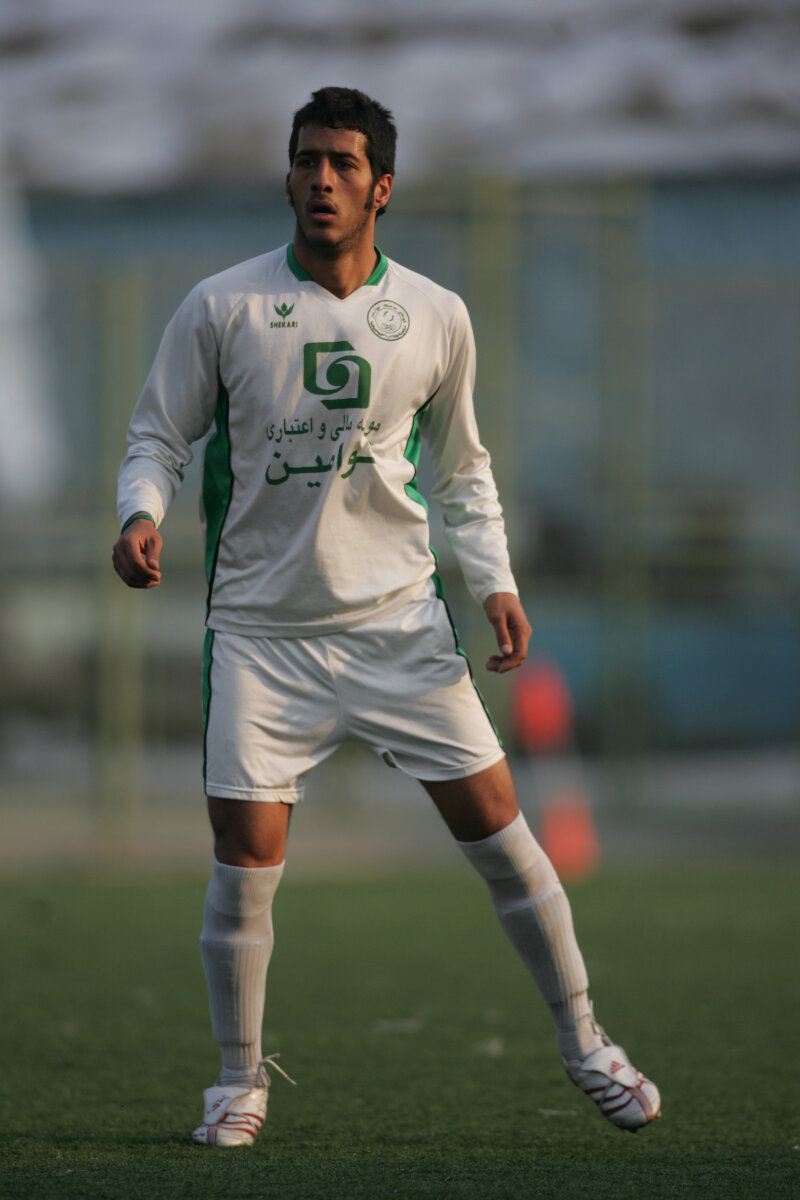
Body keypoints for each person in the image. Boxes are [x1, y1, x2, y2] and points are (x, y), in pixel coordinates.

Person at [113, 86, 660, 1148]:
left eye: (344, 164)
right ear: (286, 178)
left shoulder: (436, 315)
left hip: (399, 627)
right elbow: (156, 436)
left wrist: (494, 583)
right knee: (243, 859)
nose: (321, 178)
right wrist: (141, 513)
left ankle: (587, 1041)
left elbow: (462, 471)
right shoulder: (223, 306)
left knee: (502, 832)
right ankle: (237, 1082)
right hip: (261, 636)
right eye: (306, 160)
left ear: (382, 189)